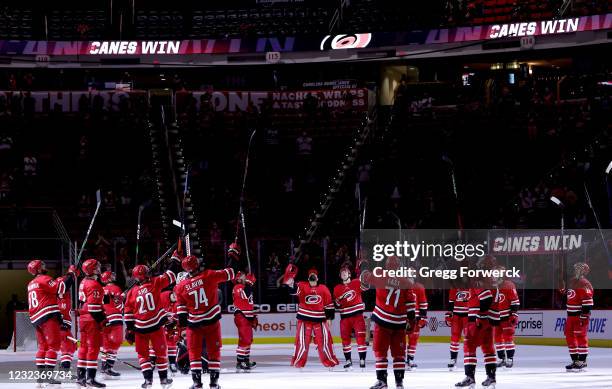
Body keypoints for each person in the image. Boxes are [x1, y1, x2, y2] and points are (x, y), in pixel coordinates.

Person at [175, 255, 237, 389]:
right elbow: (230, 272)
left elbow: (181, 312)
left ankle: (197, 383)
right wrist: (232, 254)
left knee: (194, 353)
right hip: (212, 323)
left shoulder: (180, 287)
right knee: (214, 352)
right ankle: (214, 383)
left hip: (194, 325)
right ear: (197, 264)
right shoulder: (209, 275)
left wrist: (183, 329)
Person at [361, 257, 415, 389]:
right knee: (399, 354)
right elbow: (410, 304)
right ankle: (399, 382)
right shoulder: (405, 281)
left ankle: (382, 381)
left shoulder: (380, 274)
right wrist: (411, 321)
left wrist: (363, 266)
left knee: (380, 352)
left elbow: (364, 278)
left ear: (387, 266)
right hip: (399, 322)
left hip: (383, 320)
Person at [124, 265, 176, 389]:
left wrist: (130, 329)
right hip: (156, 326)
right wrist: (174, 261)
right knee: (161, 354)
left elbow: (128, 313)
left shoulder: (131, 292)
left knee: (143, 355)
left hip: (140, 328)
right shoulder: (155, 282)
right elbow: (171, 276)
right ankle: (163, 380)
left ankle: (148, 381)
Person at [26, 259, 74, 388]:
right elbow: (61, 288)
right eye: (42, 265)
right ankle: (48, 378)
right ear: (38, 269)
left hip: (36, 318)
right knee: (53, 347)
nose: (44, 266)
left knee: (42, 348)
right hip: (47, 315)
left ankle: (41, 379)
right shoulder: (44, 279)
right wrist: (71, 274)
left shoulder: (30, 284)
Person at [283, 265, 339, 369]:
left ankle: (329, 360)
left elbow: (329, 304)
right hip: (305, 318)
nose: (312, 277)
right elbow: (294, 290)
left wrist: (329, 318)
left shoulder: (323, 288)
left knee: (324, 341)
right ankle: (299, 361)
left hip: (320, 319)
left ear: (317, 278)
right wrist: (290, 283)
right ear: (308, 278)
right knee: (302, 341)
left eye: (314, 276)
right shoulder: (302, 285)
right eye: (311, 276)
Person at [455, 285, 496, 388]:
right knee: (488, 348)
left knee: (469, 347)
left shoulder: (477, 281)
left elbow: (486, 297)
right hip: (488, 319)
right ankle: (491, 378)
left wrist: (480, 316)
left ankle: (470, 377)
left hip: (477, 321)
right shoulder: (487, 282)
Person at [77, 258, 106, 388]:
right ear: (92, 269)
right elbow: (94, 308)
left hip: (83, 318)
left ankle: (81, 377)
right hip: (91, 319)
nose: (99, 269)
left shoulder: (84, 281)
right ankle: (90, 379)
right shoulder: (93, 284)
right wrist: (104, 320)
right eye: (97, 267)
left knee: (83, 348)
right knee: (93, 349)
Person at [333, 265, 367, 370]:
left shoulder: (356, 282)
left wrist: (364, 278)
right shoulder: (337, 288)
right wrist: (340, 300)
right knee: (345, 339)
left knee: (360, 337)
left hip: (357, 315)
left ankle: (362, 360)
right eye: (342, 272)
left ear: (349, 274)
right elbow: (337, 304)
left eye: (346, 272)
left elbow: (366, 287)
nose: (344, 273)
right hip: (345, 317)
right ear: (340, 275)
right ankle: (348, 361)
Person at [563, 262, 594, 372]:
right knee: (570, 337)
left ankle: (582, 361)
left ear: (585, 271)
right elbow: (568, 296)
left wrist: (584, 316)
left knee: (581, 337)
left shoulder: (584, 283)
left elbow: (588, 302)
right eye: (576, 268)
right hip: (570, 316)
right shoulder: (572, 282)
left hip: (579, 316)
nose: (577, 271)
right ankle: (575, 360)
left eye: (580, 269)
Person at [493, 266, 520, 368]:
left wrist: (513, 314)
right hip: (496, 317)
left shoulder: (508, 285)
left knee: (508, 338)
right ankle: (502, 359)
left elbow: (515, 301)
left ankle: (509, 358)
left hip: (506, 316)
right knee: (498, 338)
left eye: (496, 275)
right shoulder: (493, 287)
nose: (494, 277)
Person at [232, 271, 258, 371]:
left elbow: (249, 303)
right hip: (241, 315)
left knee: (248, 340)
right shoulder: (237, 287)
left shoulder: (245, 287)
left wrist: (253, 316)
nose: (245, 276)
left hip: (247, 315)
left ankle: (246, 361)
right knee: (245, 340)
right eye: (243, 275)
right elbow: (245, 295)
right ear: (238, 279)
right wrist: (249, 283)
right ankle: (240, 362)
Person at [100, 271, 123, 378]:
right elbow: (119, 305)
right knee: (115, 343)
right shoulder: (115, 288)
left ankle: (104, 367)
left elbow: (105, 303)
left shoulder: (101, 289)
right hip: (115, 318)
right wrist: (122, 299)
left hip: (104, 319)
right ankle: (108, 367)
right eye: (112, 276)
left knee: (106, 344)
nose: (114, 277)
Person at [446, 284, 470, 370]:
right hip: (456, 315)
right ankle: (453, 359)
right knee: (454, 338)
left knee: (468, 338)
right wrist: (449, 314)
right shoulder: (454, 286)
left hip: (468, 315)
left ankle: (469, 359)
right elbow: (451, 301)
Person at [406, 279, 428, 370]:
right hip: (403, 315)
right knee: (401, 339)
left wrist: (422, 317)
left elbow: (423, 303)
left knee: (413, 338)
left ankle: (410, 359)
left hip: (415, 315)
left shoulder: (419, 287)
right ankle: (401, 359)